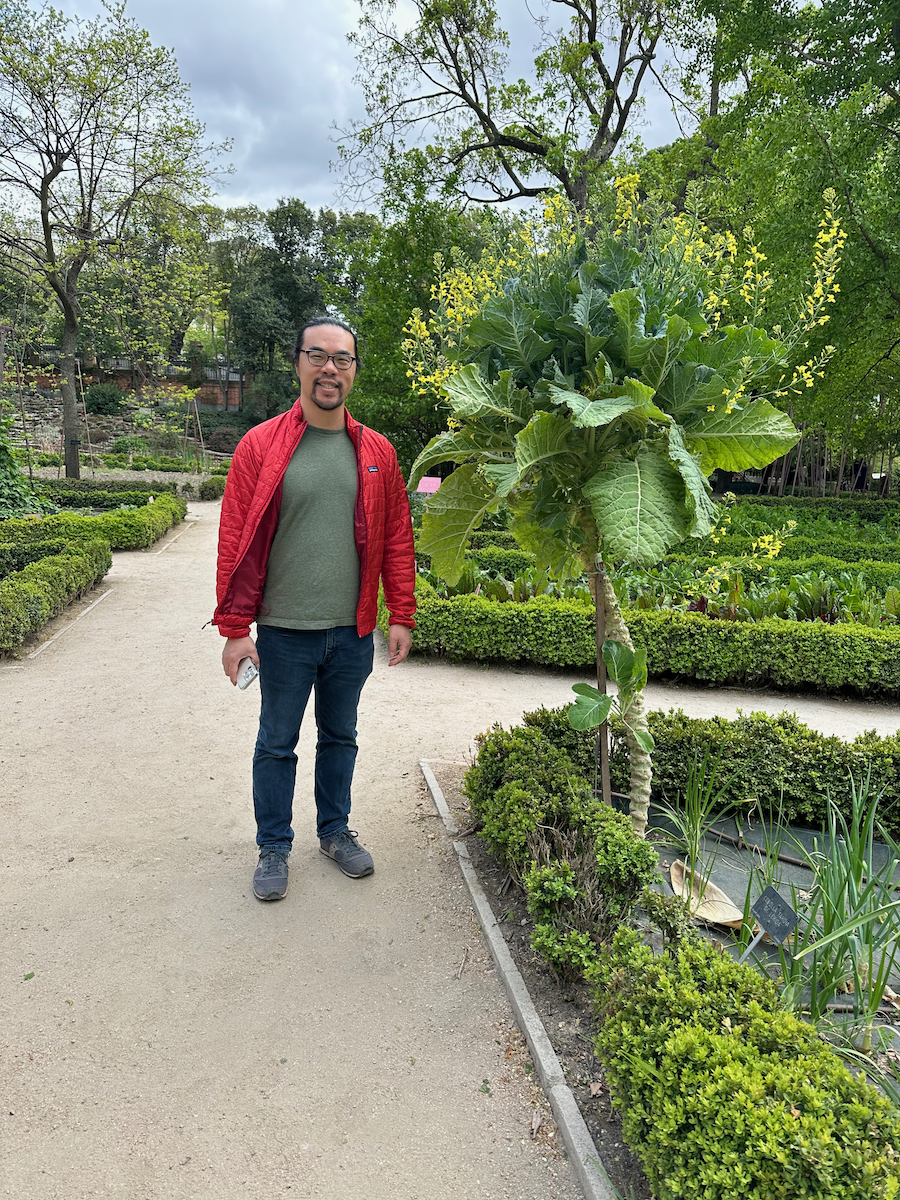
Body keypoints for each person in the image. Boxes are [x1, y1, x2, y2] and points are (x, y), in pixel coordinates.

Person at [212, 316, 416, 900]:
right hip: (283, 631)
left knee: (340, 736)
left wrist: (401, 614)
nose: (330, 368)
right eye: (318, 356)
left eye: (342, 359)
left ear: (354, 371)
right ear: (298, 363)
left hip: (351, 632)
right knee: (276, 741)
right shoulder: (261, 445)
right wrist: (235, 629)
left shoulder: (377, 451)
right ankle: (273, 846)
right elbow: (235, 537)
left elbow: (396, 538)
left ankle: (334, 832)